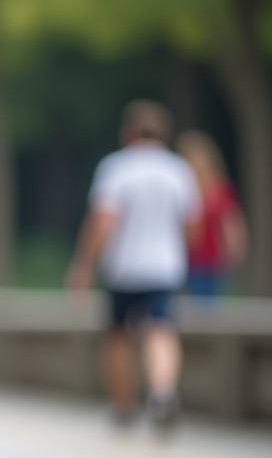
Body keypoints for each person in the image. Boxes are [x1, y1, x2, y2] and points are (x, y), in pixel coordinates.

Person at [66, 100, 200, 431]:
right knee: (161, 329)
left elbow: (103, 221)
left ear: (127, 133)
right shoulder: (178, 170)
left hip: (123, 268)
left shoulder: (117, 168)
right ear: (165, 134)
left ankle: (124, 406)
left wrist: (83, 264)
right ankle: (161, 392)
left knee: (118, 336)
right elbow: (191, 226)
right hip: (165, 267)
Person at [176, 129, 247, 299]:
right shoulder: (180, 187)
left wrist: (235, 251)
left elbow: (230, 223)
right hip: (185, 259)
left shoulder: (217, 189)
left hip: (207, 259)